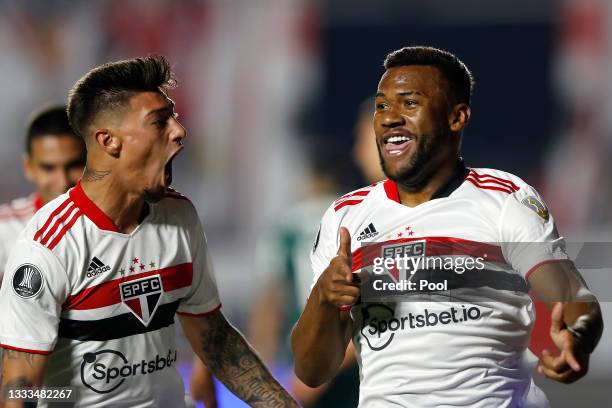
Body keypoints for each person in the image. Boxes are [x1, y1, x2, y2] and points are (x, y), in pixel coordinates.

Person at [291, 46, 603, 407]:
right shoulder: (345, 216)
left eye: (409, 104)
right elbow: (312, 371)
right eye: (382, 106)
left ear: (457, 117)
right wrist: (324, 301)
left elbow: (575, 300)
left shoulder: (505, 200)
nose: (390, 118)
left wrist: (578, 337)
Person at [0, 56, 298, 408]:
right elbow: (17, 392)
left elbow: (214, 338)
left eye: (173, 116)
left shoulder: (179, 215)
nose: (179, 130)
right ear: (109, 141)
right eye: (159, 122)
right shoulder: (47, 246)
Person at [0, 104, 86, 280]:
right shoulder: (4, 228)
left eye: (74, 165)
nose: (62, 181)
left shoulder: (123, 220)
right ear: (28, 167)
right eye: (48, 168)